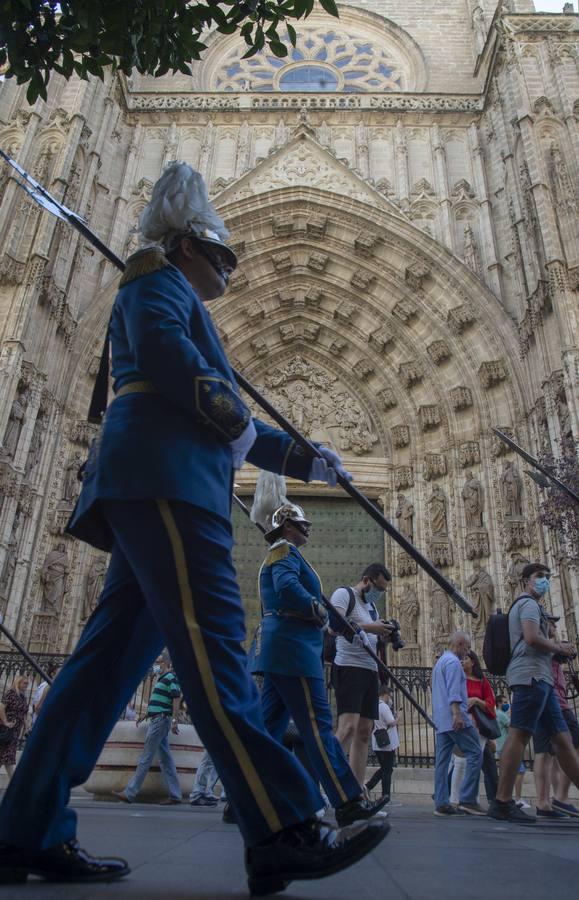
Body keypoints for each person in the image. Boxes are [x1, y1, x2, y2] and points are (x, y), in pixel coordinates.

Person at [0, 162, 388, 889]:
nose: (232, 271)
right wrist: (241, 424)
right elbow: (170, 369)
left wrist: (308, 459)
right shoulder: (152, 281)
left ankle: (25, 830)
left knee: (99, 673)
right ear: (185, 245)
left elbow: (210, 410)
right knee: (215, 657)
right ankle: (281, 826)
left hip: (164, 477)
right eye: (222, 255)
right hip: (170, 486)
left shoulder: (175, 293)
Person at [253, 503, 389, 828]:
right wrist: (316, 607)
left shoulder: (282, 550)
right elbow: (287, 587)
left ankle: (244, 796)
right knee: (317, 725)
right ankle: (347, 801)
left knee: (267, 729)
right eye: (302, 524)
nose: (308, 529)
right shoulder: (283, 550)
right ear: (287, 526)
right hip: (293, 649)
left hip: (281, 648)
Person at [488, 563, 579, 824]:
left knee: (563, 741)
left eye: (548, 577)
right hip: (529, 675)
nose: (545, 581)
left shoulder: (534, 606)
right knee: (519, 735)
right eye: (540, 577)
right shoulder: (527, 604)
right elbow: (530, 638)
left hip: (542, 678)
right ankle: (502, 801)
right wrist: (558, 647)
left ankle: (504, 801)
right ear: (526, 580)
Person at [330, 564, 393, 786]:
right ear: (366, 580)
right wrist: (370, 628)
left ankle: (357, 792)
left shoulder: (373, 608)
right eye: (378, 587)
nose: (380, 593)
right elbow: (334, 625)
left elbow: (370, 637)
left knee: (364, 732)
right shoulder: (344, 594)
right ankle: (325, 782)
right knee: (348, 728)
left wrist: (383, 637)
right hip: (348, 667)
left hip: (369, 671)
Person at [114, 654, 182, 805]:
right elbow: (160, 700)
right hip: (158, 719)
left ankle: (130, 793)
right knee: (166, 759)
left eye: (158, 662)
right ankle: (176, 794)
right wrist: (146, 714)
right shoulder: (162, 678)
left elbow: (176, 698)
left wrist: (175, 720)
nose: (156, 666)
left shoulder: (170, 677)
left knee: (145, 757)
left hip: (160, 720)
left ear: (165, 663)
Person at [432, 632, 484, 817]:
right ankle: (468, 799)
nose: (467, 652)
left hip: (440, 719)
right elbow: (454, 691)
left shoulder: (440, 662)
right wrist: (457, 714)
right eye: (467, 647)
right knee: (476, 752)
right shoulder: (453, 663)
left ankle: (441, 802)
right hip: (454, 718)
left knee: (442, 761)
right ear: (459, 644)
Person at [533, 616, 579, 818]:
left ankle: (544, 802)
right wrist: (563, 648)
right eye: (552, 624)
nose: (555, 627)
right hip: (556, 704)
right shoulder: (545, 645)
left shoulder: (536, 646)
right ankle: (560, 796)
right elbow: (566, 649)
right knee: (572, 747)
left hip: (541, 703)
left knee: (546, 754)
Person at [449, 650, 495, 809]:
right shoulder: (458, 679)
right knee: (460, 762)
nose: (462, 661)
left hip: (479, 727)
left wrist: (476, 700)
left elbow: (490, 703)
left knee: (475, 762)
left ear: (473, 662)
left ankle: (471, 799)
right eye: (461, 659)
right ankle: (454, 799)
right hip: (463, 724)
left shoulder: (482, 681)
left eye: (465, 658)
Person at [365, 687, 399, 802]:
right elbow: (391, 722)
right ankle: (385, 795)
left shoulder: (374, 705)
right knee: (387, 769)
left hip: (377, 742)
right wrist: (398, 717)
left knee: (386, 769)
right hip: (386, 743)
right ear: (385, 694)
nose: (390, 698)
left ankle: (369, 787)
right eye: (389, 695)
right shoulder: (383, 706)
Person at [0, 676, 30, 783]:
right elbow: (1, 707)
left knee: (4, 755)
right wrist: (5, 722)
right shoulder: (11, 693)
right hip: (7, 730)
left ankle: (14, 783)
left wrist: (26, 727)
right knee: (8, 755)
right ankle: (15, 783)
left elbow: (23, 713)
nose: (26, 686)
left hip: (16, 730)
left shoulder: (22, 696)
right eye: (24, 683)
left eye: (27, 683)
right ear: (18, 683)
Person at [31, 662, 61, 726]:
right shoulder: (45, 686)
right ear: (52, 674)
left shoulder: (56, 686)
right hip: (42, 721)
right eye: (60, 673)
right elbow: (37, 707)